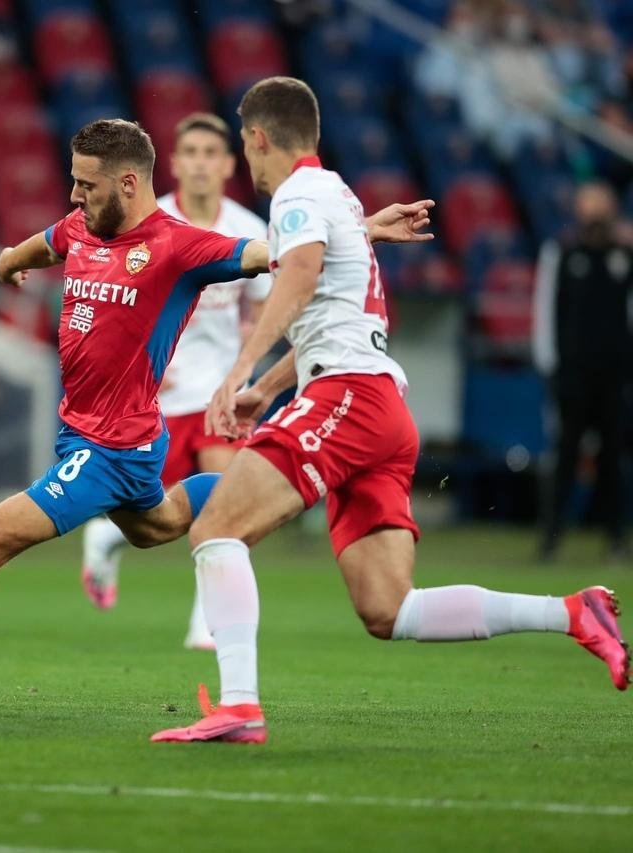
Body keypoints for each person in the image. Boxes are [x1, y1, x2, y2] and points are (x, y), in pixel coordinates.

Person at [0, 118, 434, 702]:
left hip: (112, 449)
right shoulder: (82, 225)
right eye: (74, 181)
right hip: (96, 435)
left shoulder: (179, 246)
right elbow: (47, 244)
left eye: (87, 184)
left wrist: (364, 230)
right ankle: (277, 486)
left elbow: (272, 251)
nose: (75, 194)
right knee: (157, 525)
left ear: (129, 183)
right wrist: (9, 261)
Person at [151, 77, 628, 747]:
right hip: (378, 407)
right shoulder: (337, 194)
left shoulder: (297, 196)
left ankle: (240, 707)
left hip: (346, 399)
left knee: (216, 527)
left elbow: (299, 280)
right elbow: (332, 318)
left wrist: (241, 371)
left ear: (257, 139)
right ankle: (573, 612)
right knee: (388, 609)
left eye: (246, 148)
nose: (248, 164)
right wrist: (273, 384)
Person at [80, 112, 271, 650]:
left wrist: (245, 369)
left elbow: (260, 311)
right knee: (148, 516)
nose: (201, 163)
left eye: (211, 154)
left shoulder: (250, 231)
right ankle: (105, 539)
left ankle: (204, 624)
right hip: (155, 395)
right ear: (175, 163)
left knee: (226, 506)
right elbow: (111, 300)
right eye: (191, 153)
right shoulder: (147, 222)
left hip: (217, 395)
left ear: (228, 164)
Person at [532, 181, 632, 562]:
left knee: (613, 458)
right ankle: (551, 538)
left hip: (615, 374)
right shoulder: (560, 253)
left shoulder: (623, 256)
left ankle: (616, 538)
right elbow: (545, 311)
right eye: (589, 203)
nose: (595, 211)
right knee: (565, 456)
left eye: (601, 203)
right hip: (572, 374)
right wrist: (550, 366)